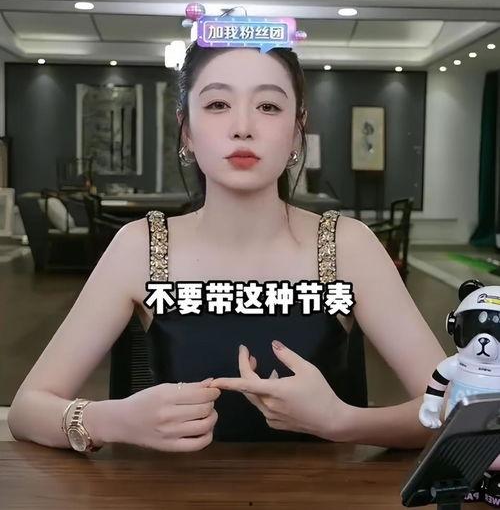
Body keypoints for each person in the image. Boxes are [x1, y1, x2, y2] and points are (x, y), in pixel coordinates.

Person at [8, 39, 446, 454]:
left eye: (268, 106)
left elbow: (452, 410)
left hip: (321, 492)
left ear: (297, 131)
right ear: (186, 131)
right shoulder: (140, 246)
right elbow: (27, 410)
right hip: (170, 492)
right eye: (218, 104)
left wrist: (341, 422)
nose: (242, 128)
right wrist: (113, 420)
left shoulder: (348, 246)